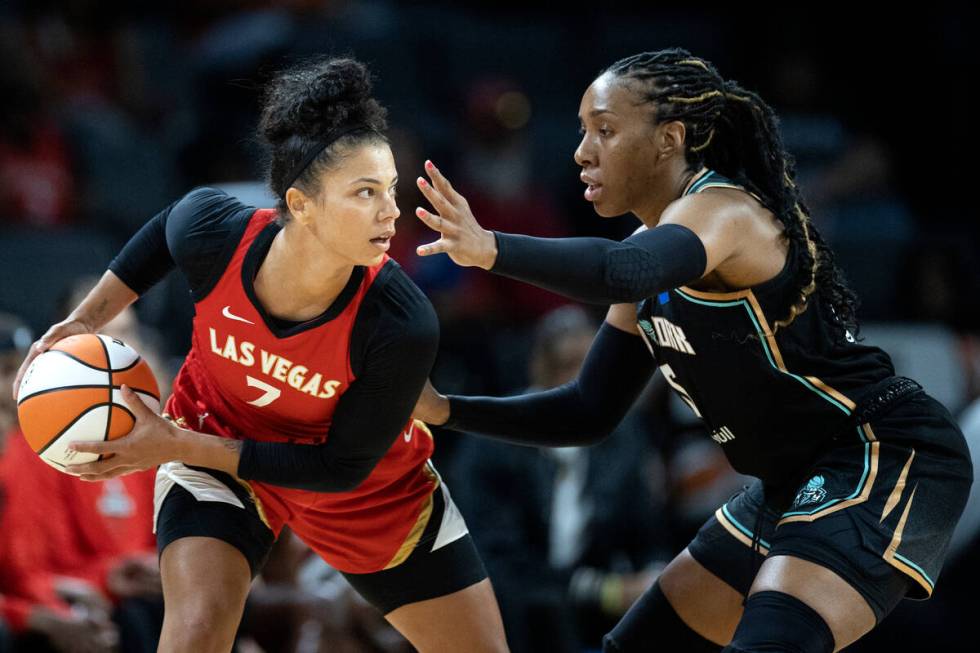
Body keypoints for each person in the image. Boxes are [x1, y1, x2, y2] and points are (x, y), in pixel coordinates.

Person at [410, 48, 972, 653]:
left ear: (668, 138)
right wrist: (442, 409)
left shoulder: (726, 212)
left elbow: (621, 272)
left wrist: (491, 247)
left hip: (879, 452)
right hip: (790, 481)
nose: (581, 151)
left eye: (604, 130)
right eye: (581, 132)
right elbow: (586, 411)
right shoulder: (649, 255)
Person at [13, 57, 507, 653]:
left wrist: (173, 444)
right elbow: (161, 232)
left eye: (391, 191)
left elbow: (338, 469)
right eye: (365, 193)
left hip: (360, 492)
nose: (390, 213)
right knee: (195, 632)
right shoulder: (213, 231)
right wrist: (83, 320)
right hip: (218, 445)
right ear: (300, 204)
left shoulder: (400, 320)